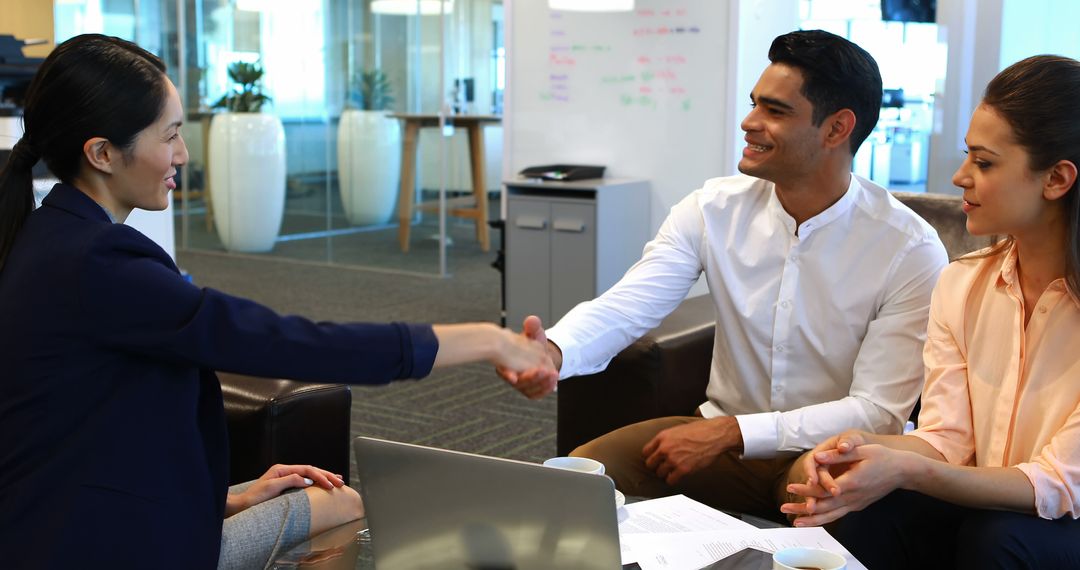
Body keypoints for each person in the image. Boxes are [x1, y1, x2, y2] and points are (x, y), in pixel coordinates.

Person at [0, 34, 557, 569]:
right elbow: (281, 340)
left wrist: (232, 497)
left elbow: (79, 439)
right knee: (345, 505)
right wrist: (486, 339)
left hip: (65, 519)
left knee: (303, 497)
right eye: (168, 136)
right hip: (100, 546)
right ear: (101, 153)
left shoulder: (49, 237)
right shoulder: (99, 263)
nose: (183, 154)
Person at [501, 29, 949, 522]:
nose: (749, 122)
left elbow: (877, 411)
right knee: (577, 477)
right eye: (754, 103)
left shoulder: (909, 248)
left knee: (822, 488)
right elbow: (630, 304)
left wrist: (734, 431)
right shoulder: (713, 209)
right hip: (716, 440)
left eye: (774, 111)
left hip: (823, 450)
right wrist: (555, 351)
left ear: (837, 129)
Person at [783, 55, 1080, 569]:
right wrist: (866, 451)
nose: (960, 176)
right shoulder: (963, 282)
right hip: (988, 506)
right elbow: (948, 438)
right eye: (968, 156)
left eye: (984, 163)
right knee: (866, 513)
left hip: (1060, 519)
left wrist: (905, 470)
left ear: (1056, 179)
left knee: (998, 539)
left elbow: (1057, 484)